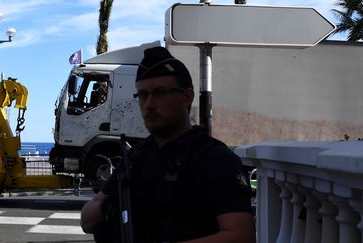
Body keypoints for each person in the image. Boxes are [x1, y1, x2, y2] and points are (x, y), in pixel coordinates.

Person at [81, 46, 255, 243]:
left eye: (160, 93)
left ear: (187, 97)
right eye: (143, 95)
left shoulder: (213, 158)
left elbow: (241, 235)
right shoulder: (137, 157)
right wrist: (113, 204)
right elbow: (87, 220)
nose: (149, 104)